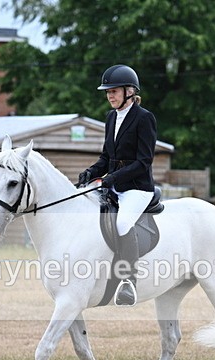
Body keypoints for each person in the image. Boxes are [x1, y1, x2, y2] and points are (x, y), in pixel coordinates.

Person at [78, 64, 157, 306]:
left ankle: (129, 281)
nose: (109, 95)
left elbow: (144, 162)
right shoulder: (111, 118)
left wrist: (113, 178)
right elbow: (106, 157)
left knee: (123, 222)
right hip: (114, 185)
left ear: (129, 91)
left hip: (137, 188)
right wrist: (92, 172)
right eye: (107, 92)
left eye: (114, 91)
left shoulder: (144, 118)